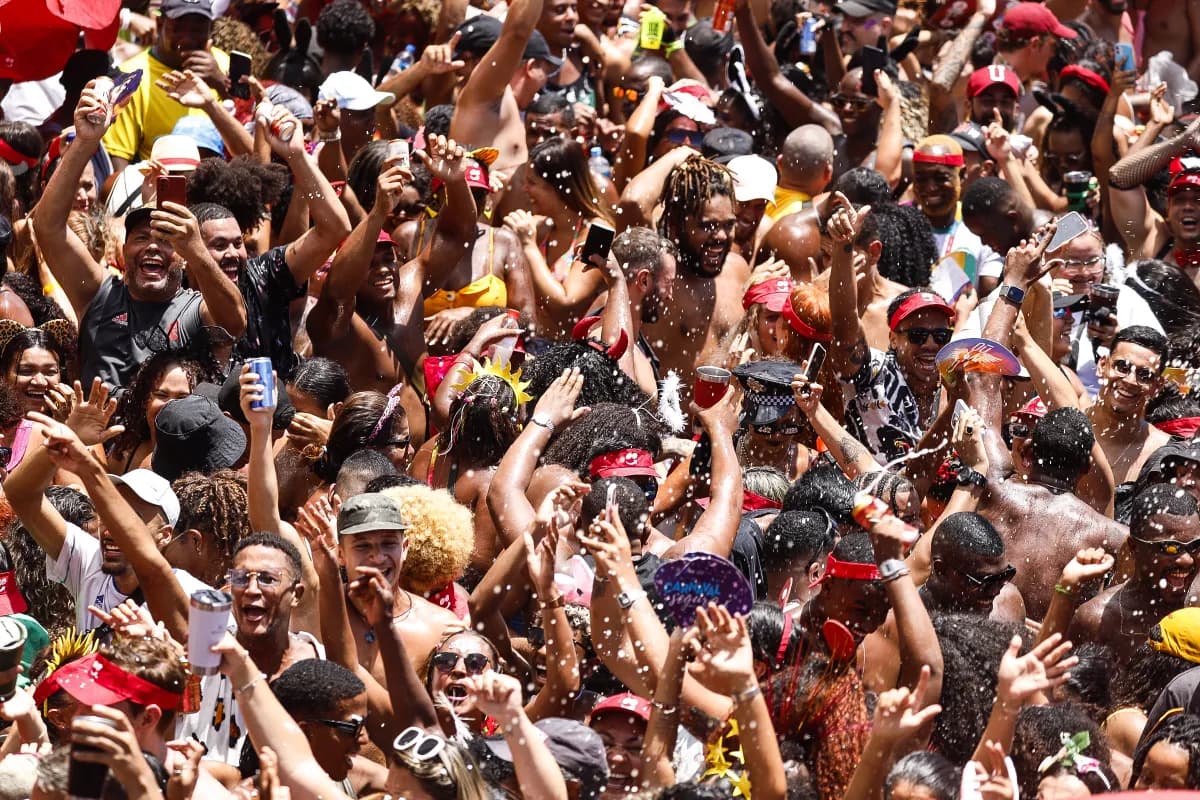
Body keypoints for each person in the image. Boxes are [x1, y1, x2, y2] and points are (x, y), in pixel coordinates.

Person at [32, 84, 247, 389]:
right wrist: (85, 142)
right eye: (142, 237)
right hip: (100, 436)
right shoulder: (98, 295)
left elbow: (234, 322)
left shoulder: (196, 309)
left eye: (166, 238)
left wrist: (196, 248)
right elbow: (48, 227)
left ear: (184, 257)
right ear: (123, 250)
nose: (153, 247)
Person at [1068, 485, 1200, 666]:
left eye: (1195, 546)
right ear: (1134, 547)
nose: (1186, 560)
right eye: (1170, 547)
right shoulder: (1098, 622)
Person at [101, 0, 231, 172]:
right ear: (160, 24)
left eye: (198, 29)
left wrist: (222, 86)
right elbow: (118, 170)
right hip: (160, 189)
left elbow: (250, 141)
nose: (188, 38)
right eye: (178, 27)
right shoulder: (130, 79)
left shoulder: (223, 65)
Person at [1085, 326, 1171, 484]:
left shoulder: (1164, 453)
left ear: (1157, 387)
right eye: (1122, 367)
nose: (1130, 380)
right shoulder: (1067, 426)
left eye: (1145, 375)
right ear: (1102, 366)